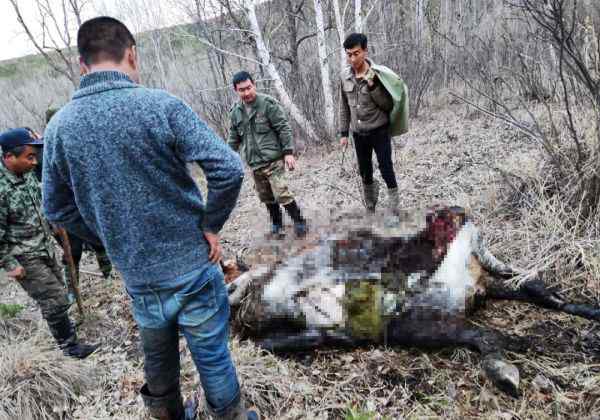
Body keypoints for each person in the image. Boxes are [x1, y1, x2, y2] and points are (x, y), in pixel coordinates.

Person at [42, 17, 257, 420]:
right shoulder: (160, 106)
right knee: (212, 356)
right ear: (132, 54)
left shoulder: (59, 128)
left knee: (158, 360)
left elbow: (56, 208)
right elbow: (228, 168)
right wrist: (211, 225)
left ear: (81, 64)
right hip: (193, 264)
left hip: (138, 274)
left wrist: (109, 236)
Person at [0, 127, 99, 359]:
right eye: (29, 157)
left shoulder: (25, 175)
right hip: (24, 256)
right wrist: (9, 263)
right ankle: (69, 349)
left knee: (59, 296)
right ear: (8, 157)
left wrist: (55, 225)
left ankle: (67, 334)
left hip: (44, 246)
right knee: (54, 299)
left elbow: (38, 205)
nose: (35, 162)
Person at [228, 71, 307, 238]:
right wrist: (227, 156)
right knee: (266, 196)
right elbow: (233, 138)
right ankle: (277, 223)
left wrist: (288, 153)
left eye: (249, 88)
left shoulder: (268, 104)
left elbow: (283, 128)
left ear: (254, 85)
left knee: (281, 192)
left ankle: (299, 221)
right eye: (242, 90)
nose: (246, 92)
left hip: (273, 160)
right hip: (255, 163)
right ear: (236, 90)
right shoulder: (236, 112)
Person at [338, 33, 409, 213]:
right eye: (349, 54)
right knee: (365, 172)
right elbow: (344, 106)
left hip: (379, 131)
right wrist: (343, 133)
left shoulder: (377, 74)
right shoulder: (344, 76)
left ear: (365, 51)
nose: (352, 58)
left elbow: (387, 105)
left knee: (386, 168)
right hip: (359, 134)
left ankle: (394, 205)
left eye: (356, 53)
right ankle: (370, 204)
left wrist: (373, 86)